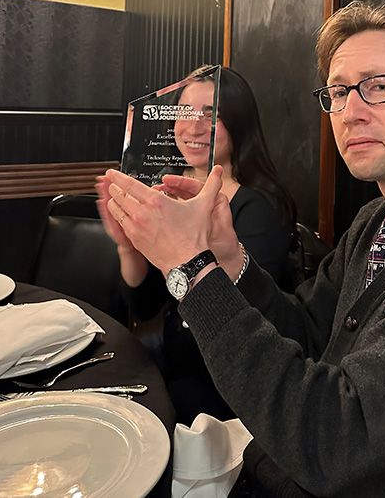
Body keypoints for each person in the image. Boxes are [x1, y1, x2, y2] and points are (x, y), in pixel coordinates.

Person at [98, 1, 385, 497]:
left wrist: (191, 269)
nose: (350, 112)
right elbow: (306, 334)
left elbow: (338, 441)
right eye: (340, 92)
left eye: (378, 86)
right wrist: (229, 255)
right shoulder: (376, 219)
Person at [107, 65, 295, 423]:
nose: (194, 127)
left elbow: (244, 331)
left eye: (212, 116)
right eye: (185, 113)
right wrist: (128, 247)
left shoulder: (258, 208)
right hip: (177, 359)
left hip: (228, 389)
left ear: (239, 124)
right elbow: (145, 306)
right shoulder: (168, 193)